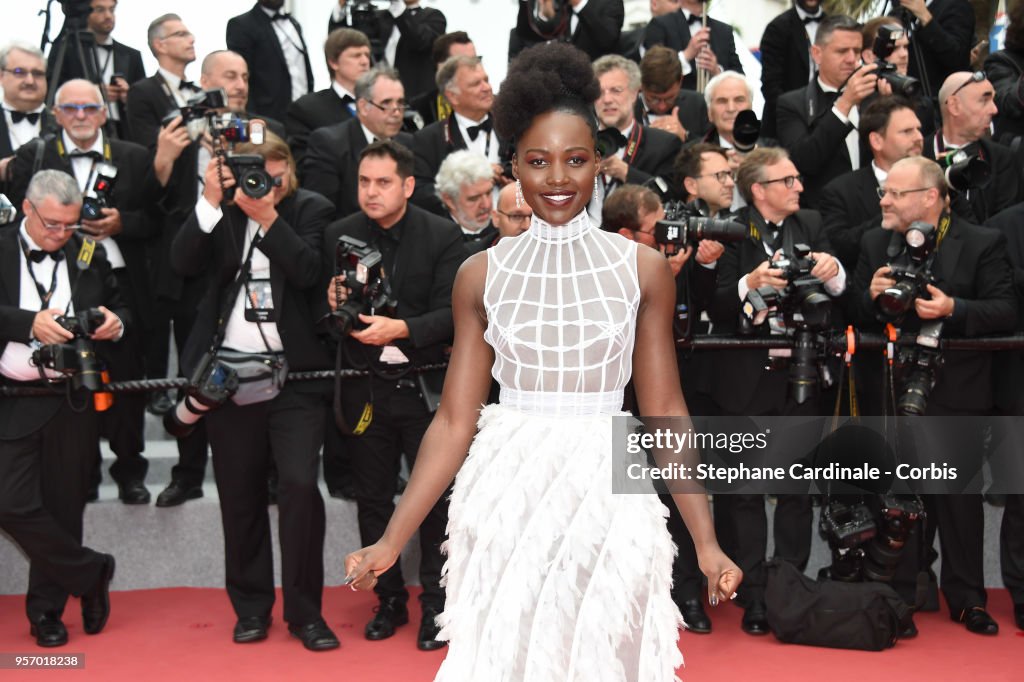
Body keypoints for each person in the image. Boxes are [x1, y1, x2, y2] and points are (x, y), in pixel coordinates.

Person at [342, 42, 740, 679]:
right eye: (538, 161)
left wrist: (707, 540)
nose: (558, 178)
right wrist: (393, 537)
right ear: (514, 170)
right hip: (506, 486)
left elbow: (664, 409)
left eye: (575, 160)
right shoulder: (480, 274)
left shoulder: (641, 270)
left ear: (598, 167)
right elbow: (452, 421)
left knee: (607, 654)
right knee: (512, 656)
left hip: (610, 477)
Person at [170, 132, 338, 650]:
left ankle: (306, 613)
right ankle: (250, 608)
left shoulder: (311, 209)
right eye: (249, 168)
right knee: (239, 495)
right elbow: (182, 265)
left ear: (288, 170)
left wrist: (268, 216)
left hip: (295, 379)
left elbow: (310, 271)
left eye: (271, 167)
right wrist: (209, 200)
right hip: (228, 377)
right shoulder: (221, 212)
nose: (259, 177)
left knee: (299, 488)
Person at [851, 155, 1016, 635]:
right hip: (891, 387)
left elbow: (1005, 309)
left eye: (894, 193)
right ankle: (901, 596)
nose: (883, 199)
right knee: (898, 495)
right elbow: (854, 311)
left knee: (959, 500)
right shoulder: (873, 241)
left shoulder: (984, 241)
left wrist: (953, 307)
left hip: (957, 391)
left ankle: (967, 598)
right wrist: (870, 296)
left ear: (929, 197)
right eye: (883, 191)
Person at [325, 139, 465, 651]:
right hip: (366, 390)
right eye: (364, 181)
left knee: (432, 502)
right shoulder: (340, 234)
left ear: (407, 185)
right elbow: (332, 316)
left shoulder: (443, 236)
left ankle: (435, 604)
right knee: (372, 498)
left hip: (424, 391)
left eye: (383, 182)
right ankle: (385, 598)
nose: (371, 191)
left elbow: (457, 313)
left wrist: (401, 328)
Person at [708, 146, 844, 636]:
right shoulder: (727, 228)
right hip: (746, 380)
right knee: (743, 493)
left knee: (794, 490)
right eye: (787, 181)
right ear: (758, 189)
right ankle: (752, 591)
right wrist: (751, 280)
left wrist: (832, 270)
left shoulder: (809, 223)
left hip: (802, 378)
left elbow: (836, 289)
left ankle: (789, 584)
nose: (798, 187)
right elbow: (716, 302)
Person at [8, 79, 162, 504]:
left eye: (90, 107)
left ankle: (129, 470)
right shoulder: (34, 154)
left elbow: (158, 219)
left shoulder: (131, 156)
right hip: (45, 291)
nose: (80, 115)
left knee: (125, 381)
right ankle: (82, 474)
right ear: (55, 114)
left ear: (103, 112)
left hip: (111, 279)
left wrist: (121, 223)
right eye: (70, 108)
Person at [0, 169, 120, 648]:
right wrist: (29, 323)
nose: (60, 235)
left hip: (72, 397)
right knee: (10, 503)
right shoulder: (2, 247)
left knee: (66, 507)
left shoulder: (86, 252)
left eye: (69, 226)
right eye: (51, 224)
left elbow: (120, 304)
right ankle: (90, 573)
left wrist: (116, 323)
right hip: (12, 398)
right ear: (26, 208)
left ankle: (46, 613)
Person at [776, 14, 877, 209]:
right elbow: (805, 161)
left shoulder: (874, 99)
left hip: (873, 212)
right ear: (817, 54)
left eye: (856, 51)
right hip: (821, 216)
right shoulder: (793, 104)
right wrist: (845, 103)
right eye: (841, 51)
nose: (851, 59)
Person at [819, 95, 923, 272]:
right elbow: (840, 249)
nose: (918, 137)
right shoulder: (840, 191)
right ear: (876, 141)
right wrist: (894, 211)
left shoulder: (937, 180)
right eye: (907, 131)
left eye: (918, 129)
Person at [302, 65, 413, 219]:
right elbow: (321, 210)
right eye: (386, 103)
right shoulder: (329, 143)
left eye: (400, 102)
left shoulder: (410, 143)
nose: (396, 111)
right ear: (363, 106)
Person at [411, 55, 508, 217]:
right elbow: (420, 192)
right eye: (476, 84)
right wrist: (462, 185)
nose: (487, 87)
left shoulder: (513, 126)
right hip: (459, 232)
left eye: (486, 80)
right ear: (452, 96)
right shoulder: (428, 139)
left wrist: (503, 171)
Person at [927, 70, 1024, 224]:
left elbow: (1003, 227)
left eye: (993, 100)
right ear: (954, 106)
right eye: (984, 101)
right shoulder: (917, 155)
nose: (994, 109)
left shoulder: (1002, 160)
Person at [45, 0, 145, 140]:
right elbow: (50, 92)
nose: (108, 15)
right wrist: (93, 92)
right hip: (78, 129)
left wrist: (129, 96)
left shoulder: (131, 55)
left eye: (112, 9)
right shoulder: (67, 50)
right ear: (85, 12)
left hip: (124, 132)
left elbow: (144, 103)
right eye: (99, 10)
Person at [329, 0, 446, 100]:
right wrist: (341, 7)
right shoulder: (380, 17)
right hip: (377, 95)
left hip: (415, 96)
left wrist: (397, 5)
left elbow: (420, 41)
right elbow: (346, 42)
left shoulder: (434, 17)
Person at [285, 28, 371, 163]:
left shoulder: (381, 104)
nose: (365, 61)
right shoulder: (307, 109)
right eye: (356, 55)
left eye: (367, 54)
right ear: (334, 63)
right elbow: (304, 163)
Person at [226, 0, 314, 124]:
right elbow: (241, 74)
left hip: (303, 115)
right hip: (267, 118)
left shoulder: (294, 23)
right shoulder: (242, 25)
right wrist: (253, 120)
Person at [643, 0, 744, 92]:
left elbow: (740, 78)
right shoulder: (660, 25)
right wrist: (686, 55)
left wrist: (717, 71)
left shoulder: (724, 31)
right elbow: (652, 73)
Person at [759, 0, 825, 138]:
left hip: (827, 121)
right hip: (784, 126)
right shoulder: (777, 28)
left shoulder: (834, 26)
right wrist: (793, 115)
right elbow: (771, 85)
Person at [1, 43, 54, 184]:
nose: (30, 81)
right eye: (19, 72)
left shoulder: (63, 124)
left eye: (37, 74)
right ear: (1, 76)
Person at [635, 45, 710, 144]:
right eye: (653, 99)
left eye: (670, 98)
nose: (662, 107)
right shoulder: (625, 109)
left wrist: (686, 136)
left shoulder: (699, 105)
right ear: (641, 85)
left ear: (681, 81)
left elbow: (715, 149)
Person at [510, 0, 624, 62]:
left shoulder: (609, 2)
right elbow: (530, 34)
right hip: (569, 90)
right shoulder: (562, 5)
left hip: (600, 86)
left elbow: (607, 39)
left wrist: (578, 3)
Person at [409, 31, 476, 128]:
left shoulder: (493, 106)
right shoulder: (418, 109)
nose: (473, 68)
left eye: (475, 61)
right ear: (441, 67)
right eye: (464, 63)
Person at [435, 150, 497, 254]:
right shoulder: (435, 238)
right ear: (449, 200)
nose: (486, 205)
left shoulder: (505, 231)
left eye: (488, 193)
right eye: (474, 198)